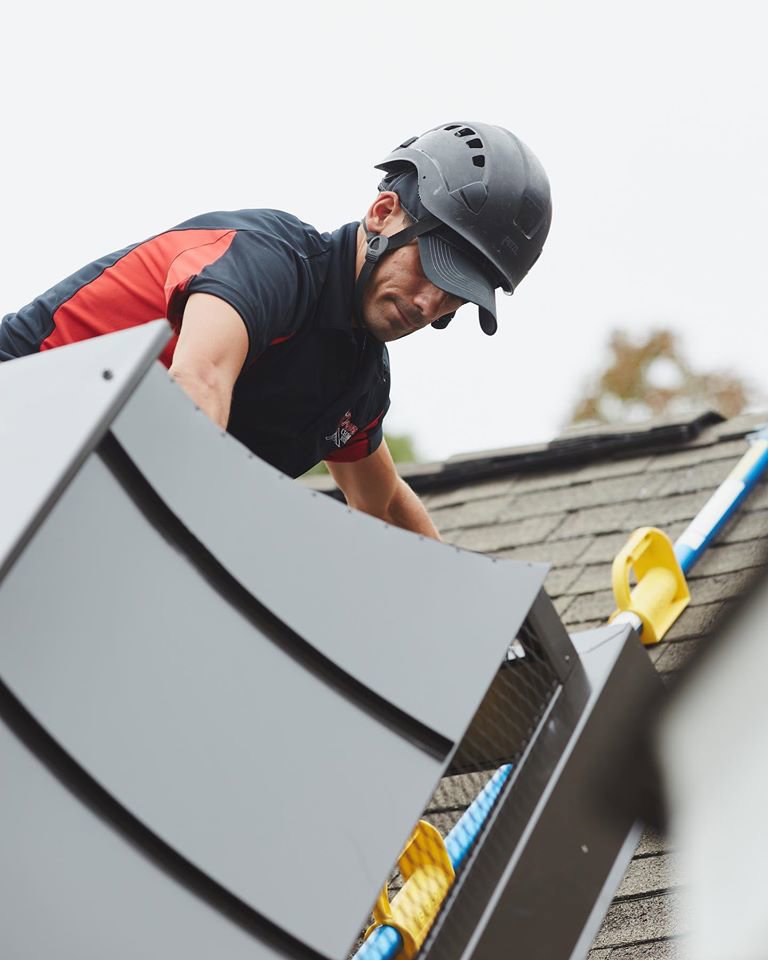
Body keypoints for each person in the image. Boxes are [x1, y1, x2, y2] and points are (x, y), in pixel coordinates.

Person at [0, 121, 551, 538]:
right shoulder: (270, 261)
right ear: (383, 213)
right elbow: (199, 386)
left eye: (456, 292)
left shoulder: (357, 378)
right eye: (432, 266)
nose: (431, 302)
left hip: (75, 510)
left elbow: (383, 507)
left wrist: (501, 641)